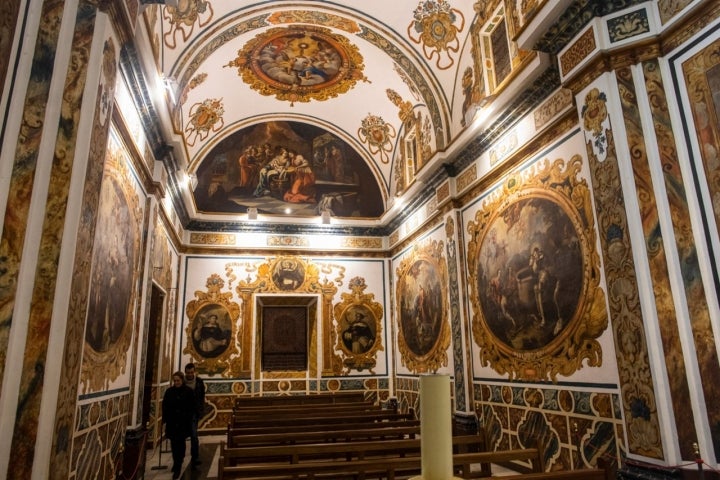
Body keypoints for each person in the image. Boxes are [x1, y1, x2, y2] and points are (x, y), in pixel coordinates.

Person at [162, 371, 195, 479]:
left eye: (178, 381)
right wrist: (165, 420)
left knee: (180, 443)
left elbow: (191, 407)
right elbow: (165, 406)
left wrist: (188, 418)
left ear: (182, 380)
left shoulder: (188, 392)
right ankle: (176, 462)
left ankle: (178, 464)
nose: (176, 383)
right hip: (172, 422)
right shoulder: (169, 392)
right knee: (174, 443)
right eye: (175, 381)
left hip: (183, 422)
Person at [184, 363, 206, 469]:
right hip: (183, 413)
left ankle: (195, 457)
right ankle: (179, 459)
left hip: (194, 412)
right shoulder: (182, 382)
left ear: (194, 372)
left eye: (191, 372)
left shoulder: (199, 382)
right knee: (180, 437)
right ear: (185, 373)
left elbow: (202, 397)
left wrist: (200, 411)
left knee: (194, 435)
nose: (190, 374)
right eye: (188, 373)